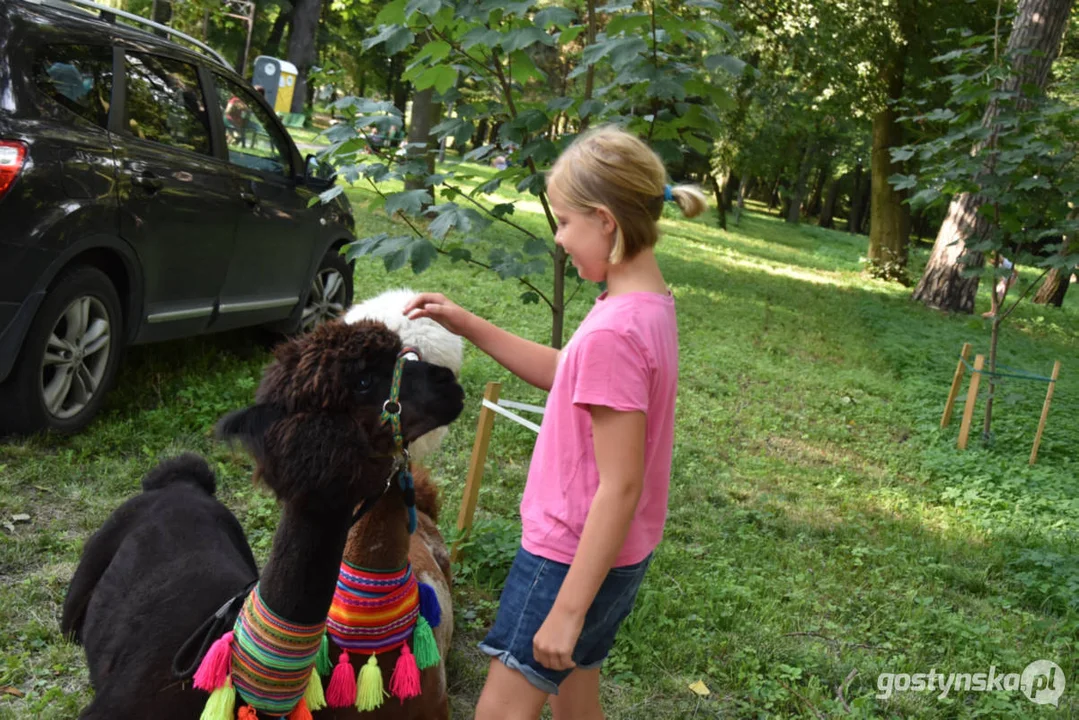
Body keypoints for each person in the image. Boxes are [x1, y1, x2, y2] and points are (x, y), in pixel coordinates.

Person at [403, 126, 707, 720]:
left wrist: (566, 609)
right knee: (576, 700)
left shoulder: (616, 332)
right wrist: (469, 324)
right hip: (618, 555)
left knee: (501, 712)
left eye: (565, 222)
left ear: (605, 220)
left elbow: (620, 485)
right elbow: (569, 374)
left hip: (567, 558)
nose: (560, 238)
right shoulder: (645, 307)